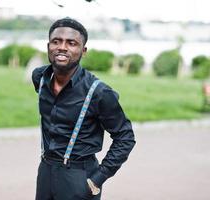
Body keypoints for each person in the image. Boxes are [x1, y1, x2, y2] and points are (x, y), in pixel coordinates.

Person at [32, 17, 136, 200]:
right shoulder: (40, 78)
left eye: (71, 43)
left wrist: (98, 178)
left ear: (83, 50)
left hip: (79, 177)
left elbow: (125, 137)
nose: (62, 47)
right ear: (48, 46)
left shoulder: (99, 92)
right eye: (56, 41)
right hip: (45, 171)